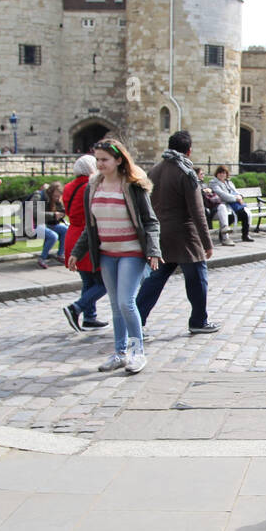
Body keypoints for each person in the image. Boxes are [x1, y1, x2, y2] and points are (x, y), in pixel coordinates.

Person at [69, 139, 161, 374]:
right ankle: (120, 353)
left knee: (126, 302)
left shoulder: (132, 186)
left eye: (104, 160)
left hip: (132, 252)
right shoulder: (93, 187)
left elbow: (150, 222)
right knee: (115, 306)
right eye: (97, 159)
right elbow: (92, 226)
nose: (99, 164)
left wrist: (153, 251)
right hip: (107, 253)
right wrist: (77, 253)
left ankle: (138, 351)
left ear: (119, 160)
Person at [135, 131, 219, 335]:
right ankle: (199, 320)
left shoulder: (155, 170)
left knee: (155, 280)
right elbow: (197, 211)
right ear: (189, 150)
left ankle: (136, 320)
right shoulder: (186, 171)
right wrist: (207, 242)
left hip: (160, 232)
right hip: (185, 234)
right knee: (197, 278)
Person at [60, 154, 107, 331]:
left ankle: (90, 317)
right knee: (103, 283)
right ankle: (77, 308)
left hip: (72, 234)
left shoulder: (68, 187)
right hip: (86, 236)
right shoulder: (91, 186)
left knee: (88, 281)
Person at [34, 181, 68, 269]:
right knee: (53, 236)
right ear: (50, 193)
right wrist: (53, 215)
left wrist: (62, 212)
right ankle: (42, 258)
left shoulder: (56, 200)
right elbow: (34, 213)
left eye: (59, 196)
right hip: (33, 225)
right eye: (55, 196)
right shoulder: (38, 196)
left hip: (47, 224)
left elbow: (62, 211)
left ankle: (60, 254)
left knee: (66, 229)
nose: (57, 198)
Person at [211, 166, 250, 241]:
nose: (222, 175)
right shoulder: (214, 183)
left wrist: (240, 196)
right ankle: (223, 236)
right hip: (224, 205)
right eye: (220, 173)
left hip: (234, 204)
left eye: (224, 173)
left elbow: (235, 191)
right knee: (230, 217)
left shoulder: (229, 182)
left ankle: (245, 235)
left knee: (244, 214)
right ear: (217, 174)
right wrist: (236, 199)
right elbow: (222, 195)